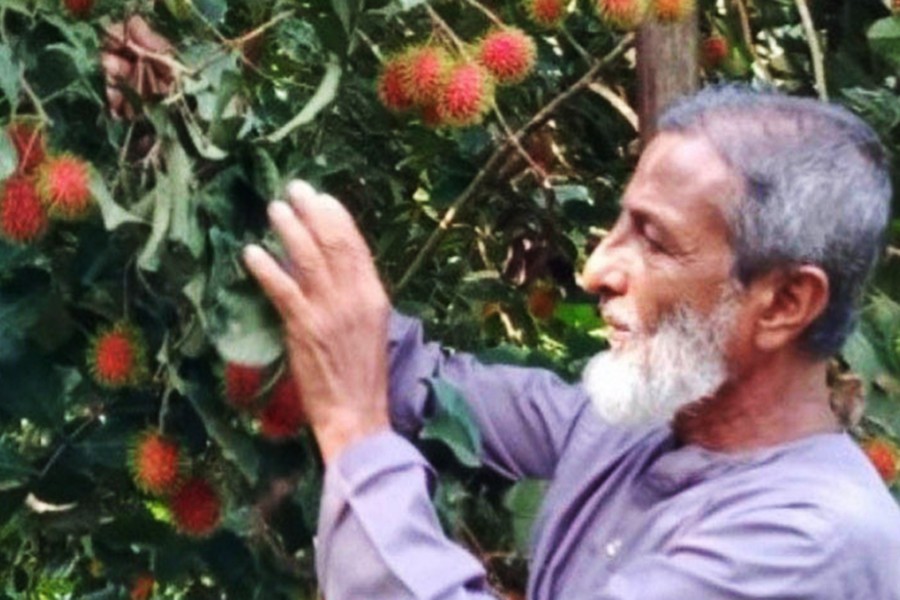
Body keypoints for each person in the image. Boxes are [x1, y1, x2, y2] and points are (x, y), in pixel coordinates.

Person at [242, 86, 900, 599]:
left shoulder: (814, 542)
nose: (593, 270)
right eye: (621, 220)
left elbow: (366, 392)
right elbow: (423, 380)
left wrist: (354, 430)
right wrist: (216, 167)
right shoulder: (639, 425)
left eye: (654, 239)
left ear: (785, 303)